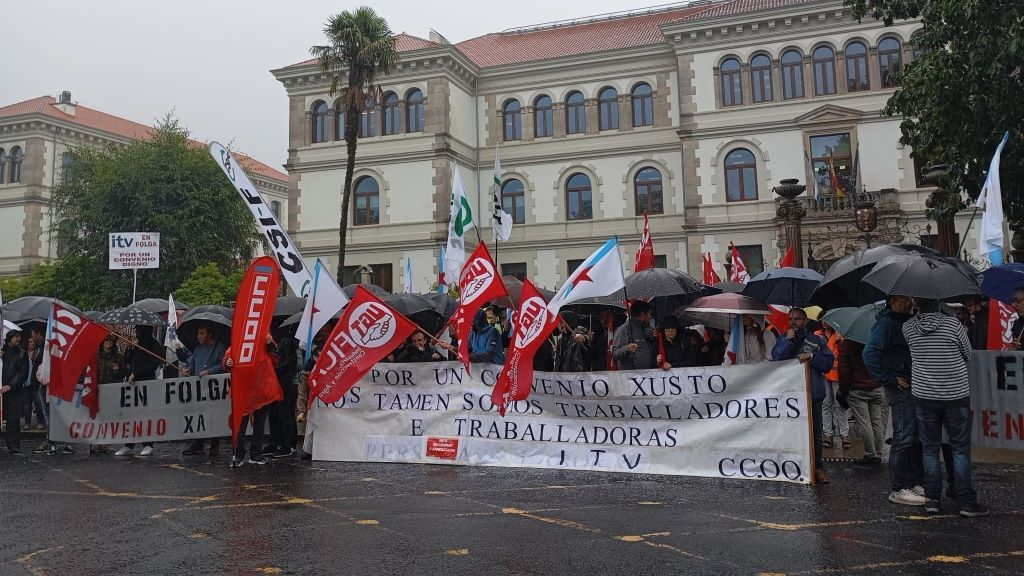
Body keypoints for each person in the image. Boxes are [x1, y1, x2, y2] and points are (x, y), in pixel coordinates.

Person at [902, 299, 989, 517]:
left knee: (930, 449)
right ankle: (966, 502)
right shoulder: (953, 325)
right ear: (939, 303)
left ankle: (932, 500)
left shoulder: (908, 327)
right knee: (959, 449)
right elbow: (968, 354)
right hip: (955, 394)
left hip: (924, 395)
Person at [863, 295, 925, 506]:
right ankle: (899, 487)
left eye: (909, 298)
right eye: (903, 299)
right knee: (904, 436)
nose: (909, 302)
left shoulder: (905, 321)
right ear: (893, 301)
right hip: (901, 387)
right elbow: (869, 354)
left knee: (915, 437)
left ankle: (914, 481)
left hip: (911, 383)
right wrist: (889, 378)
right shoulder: (887, 324)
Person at [772, 308, 834, 484]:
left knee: (815, 433)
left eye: (797, 319)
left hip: (812, 393)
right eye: (790, 319)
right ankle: (794, 466)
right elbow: (777, 359)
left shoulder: (817, 340)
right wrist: (788, 342)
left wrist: (812, 356)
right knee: (791, 432)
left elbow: (827, 364)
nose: (793, 322)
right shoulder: (783, 338)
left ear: (805, 321)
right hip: (790, 394)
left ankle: (818, 467)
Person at [114, 326, 162, 457]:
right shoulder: (137, 344)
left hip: (147, 382)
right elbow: (128, 361)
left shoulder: (154, 344)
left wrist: (136, 373)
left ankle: (148, 444)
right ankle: (128, 444)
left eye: (139, 330)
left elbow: (154, 363)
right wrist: (130, 348)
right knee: (131, 415)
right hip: (132, 384)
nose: (137, 333)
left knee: (145, 415)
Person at [182, 325, 227, 457]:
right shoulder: (197, 349)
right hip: (199, 389)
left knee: (213, 415)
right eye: (198, 333)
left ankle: (214, 443)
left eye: (202, 333)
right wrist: (187, 369)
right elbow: (191, 364)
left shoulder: (219, 348)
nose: (199, 336)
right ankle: (198, 444)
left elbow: (223, 365)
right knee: (199, 415)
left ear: (210, 335)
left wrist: (209, 371)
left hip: (214, 389)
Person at [838, 337, 885, 464]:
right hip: (876, 386)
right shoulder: (876, 340)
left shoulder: (847, 344)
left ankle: (870, 454)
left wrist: (843, 390)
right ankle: (879, 452)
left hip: (857, 388)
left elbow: (844, 371)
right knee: (877, 421)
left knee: (864, 423)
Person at [820, 322, 850, 450]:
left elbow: (840, 354)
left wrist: (839, 341)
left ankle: (844, 435)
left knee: (839, 405)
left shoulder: (840, 336)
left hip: (838, 376)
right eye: (823, 319)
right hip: (823, 375)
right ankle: (828, 435)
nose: (824, 322)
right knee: (826, 404)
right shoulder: (818, 335)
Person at [2, 331, 29, 455]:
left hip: (14, 391)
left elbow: (22, 373)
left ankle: (13, 445)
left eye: (19, 337)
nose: (18, 339)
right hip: (3, 389)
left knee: (13, 419)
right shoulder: (3, 352)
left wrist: (10, 385)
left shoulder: (22, 353)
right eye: (15, 337)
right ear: (9, 339)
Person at [612, 301, 656, 370]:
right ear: (642, 315)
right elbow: (615, 354)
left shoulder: (646, 328)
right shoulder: (623, 330)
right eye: (649, 314)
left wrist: (653, 337)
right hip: (630, 377)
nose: (650, 317)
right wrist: (627, 348)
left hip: (648, 375)